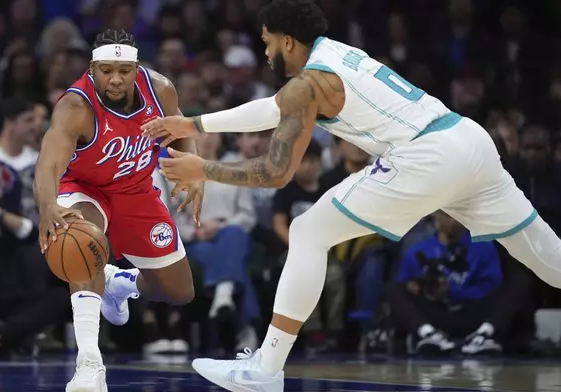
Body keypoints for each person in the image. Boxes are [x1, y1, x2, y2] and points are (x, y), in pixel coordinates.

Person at [140, 1, 561, 390]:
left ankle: (265, 370)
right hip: (468, 139)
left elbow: (275, 172)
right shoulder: (334, 54)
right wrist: (193, 125)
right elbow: (275, 108)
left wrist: (205, 169)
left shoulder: (307, 84)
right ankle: (265, 369)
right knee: (541, 250)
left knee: (307, 231)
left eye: (267, 43)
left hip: (425, 156)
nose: (266, 53)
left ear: (288, 40)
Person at [33, 29, 203, 392]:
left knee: (178, 291)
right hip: (84, 188)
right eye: (106, 69)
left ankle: (122, 282)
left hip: (136, 189)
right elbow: (48, 165)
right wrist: (48, 204)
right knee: (81, 241)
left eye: (123, 70)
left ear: (135, 67)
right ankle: (89, 367)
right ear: (93, 68)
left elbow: (181, 127)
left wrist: (194, 169)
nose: (115, 78)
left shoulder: (161, 89)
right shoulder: (76, 107)